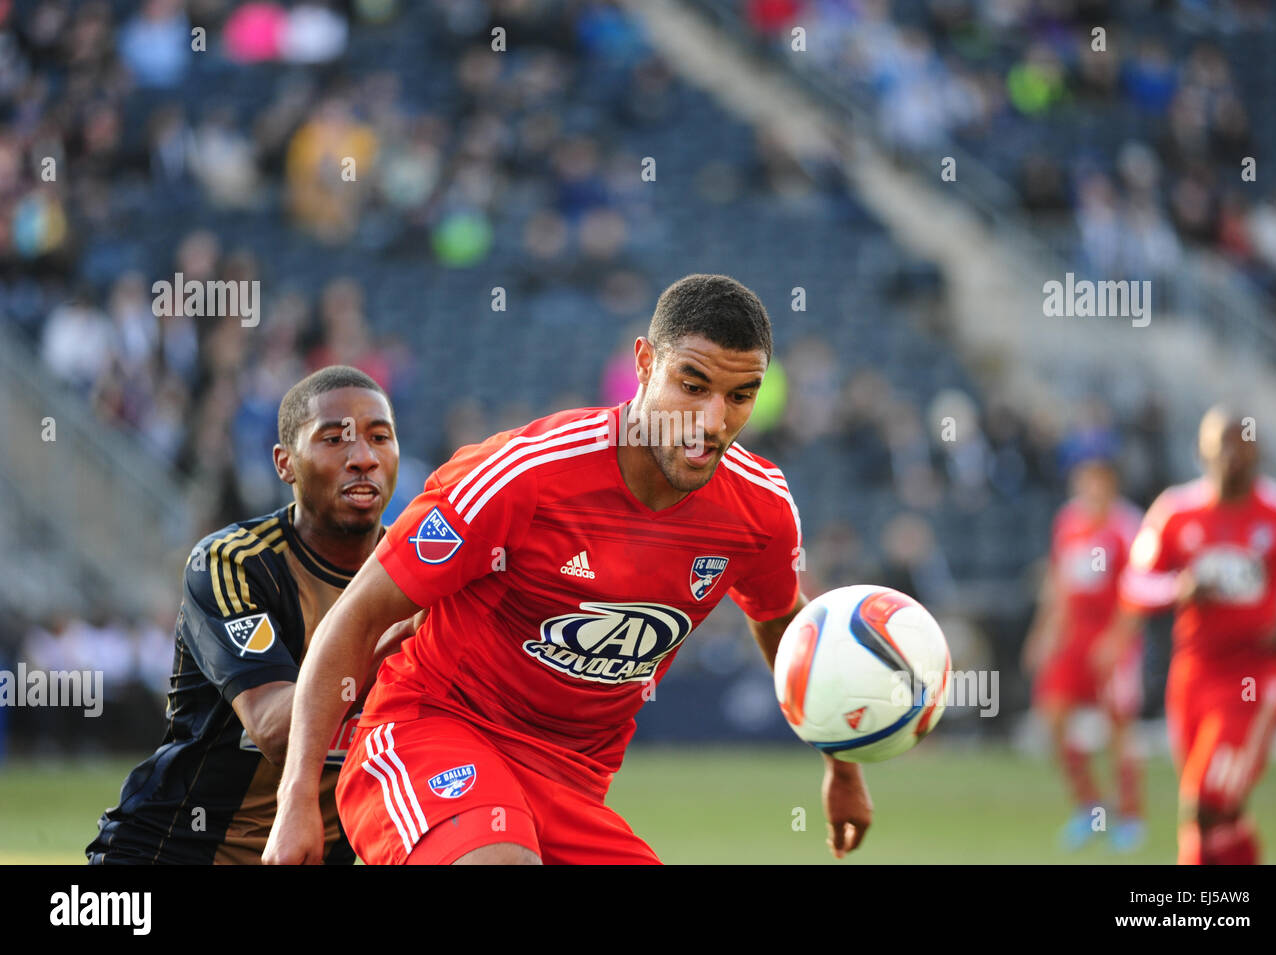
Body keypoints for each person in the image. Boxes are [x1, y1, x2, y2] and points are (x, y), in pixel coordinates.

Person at [264, 274, 872, 865]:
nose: (713, 421)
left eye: (740, 397)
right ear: (643, 364)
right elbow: (356, 618)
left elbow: (786, 628)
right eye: (692, 385)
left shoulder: (760, 510)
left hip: (570, 783)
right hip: (436, 730)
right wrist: (296, 799)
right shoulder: (522, 477)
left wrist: (840, 763)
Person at [87, 366, 408, 864]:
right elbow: (275, 730)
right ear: (285, 464)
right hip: (176, 850)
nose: (362, 458)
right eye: (333, 440)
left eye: (379, 437)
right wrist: (386, 634)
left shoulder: (422, 571)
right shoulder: (234, 563)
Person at [1113, 405, 1276, 864]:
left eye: (1244, 445)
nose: (1234, 456)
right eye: (1224, 446)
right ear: (1203, 451)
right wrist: (1180, 587)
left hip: (1253, 678)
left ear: (1260, 453)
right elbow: (1134, 583)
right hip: (1193, 672)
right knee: (1221, 812)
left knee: (1205, 803)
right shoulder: (1176, 511)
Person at [1022, 440, 1145, 851]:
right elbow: (1060, 582)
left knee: (1118, 728)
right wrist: (1044, 632)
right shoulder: (1069, 520)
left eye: (1097, 477)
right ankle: (1089, 807)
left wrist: (1118, 640)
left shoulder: (1128, 526)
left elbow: (1138, 589)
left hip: (1111, 636)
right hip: (1072, 634)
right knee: (1053, 717)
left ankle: (1130, 816)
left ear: (1111, 481)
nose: (1090, 485)